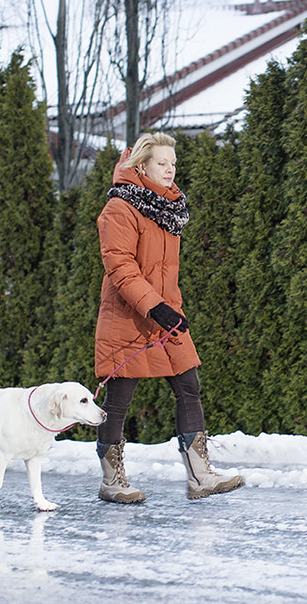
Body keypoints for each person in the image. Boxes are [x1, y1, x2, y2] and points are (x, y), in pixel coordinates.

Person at [93, 131, 243, 503]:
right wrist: (154, 306)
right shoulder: (119, 208)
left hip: (165, 315)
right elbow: (121, 266)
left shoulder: (167, 209)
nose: (170, 169)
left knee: (188, 386)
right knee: (119, 400)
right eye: (162, 163)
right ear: (141, 166)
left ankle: (200, 475)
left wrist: (169, 308)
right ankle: (112, 480)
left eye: (173, 163)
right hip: (129, 316)